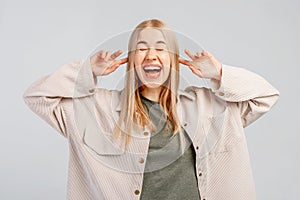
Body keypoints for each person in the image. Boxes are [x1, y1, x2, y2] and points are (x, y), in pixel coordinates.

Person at [23, 19, 279, 200]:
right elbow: (37, 97)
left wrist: (220, 74)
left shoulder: (208, 105)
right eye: (142, 48)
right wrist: (86, 73)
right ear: (131, 60)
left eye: (160, 48)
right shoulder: (97, 109)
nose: (151, 55)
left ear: (173, 59)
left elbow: (265, 95)